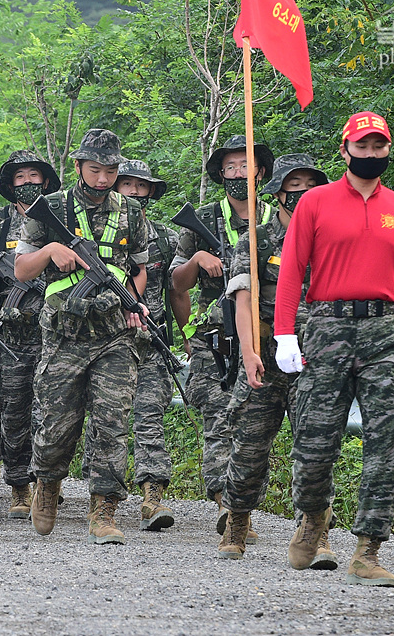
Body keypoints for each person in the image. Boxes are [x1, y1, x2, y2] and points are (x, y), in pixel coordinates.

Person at [274, 111, 394, 587]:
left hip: (383, 332)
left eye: (378, 147)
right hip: (325, 327)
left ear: (388, 150)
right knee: (314, 440)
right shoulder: (316, 203)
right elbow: (291, 270)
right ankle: (313, 517)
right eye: (361, 147)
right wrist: (286, 333)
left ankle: (368, 548)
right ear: (344, 150)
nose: (370, 155)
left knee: (386, 440)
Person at [14, 128, 150, 545]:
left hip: (113, 335)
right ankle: (48, 484)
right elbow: (21, 270)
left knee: (112, 422)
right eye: (95, 170)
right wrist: (50, 252)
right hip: (64, 334)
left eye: (110, 170)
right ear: (77, 167)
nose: (103, 179)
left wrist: (134, 302)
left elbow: (141, 268)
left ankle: (104, 509)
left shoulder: (131, 211)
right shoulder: (48, 208)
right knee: (57, 425)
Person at [216, 154, 331, 560]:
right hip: (266, 355)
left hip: (315, 358)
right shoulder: (255, 239)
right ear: (278, 192)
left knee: (315, 448)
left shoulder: (332, 237)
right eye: (293, 185)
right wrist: (248, 352)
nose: (301, 193)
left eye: (309, 185)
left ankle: (316, 529)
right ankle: (237, 521)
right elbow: (243, 299)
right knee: (249, 449)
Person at [169, 134, 274, 537]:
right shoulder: (202, 220)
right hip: (215, 333)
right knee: (218, 418)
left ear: (260, 171)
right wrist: (198, 259)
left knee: (256, 425)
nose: (237, 173)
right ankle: (227, 506)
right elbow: (177, 284)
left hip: (267, 331)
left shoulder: (276, 216)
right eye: (229, 167)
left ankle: (244, 502)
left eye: (244, 166)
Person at [0, 150, 60, 518]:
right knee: (11, 413)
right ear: (10, 185)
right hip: (6, 335)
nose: (27, 183)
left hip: (52, 332)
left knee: (51, 414)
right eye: (20, 177)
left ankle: (43, 483)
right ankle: (18, 485)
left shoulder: (58, 222)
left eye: (33, 176)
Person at [110, 159, 179, 531]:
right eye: (127, 185)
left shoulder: (165, 238)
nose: (135, 192)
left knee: (149, 417)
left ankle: (152, 497)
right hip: (109, 341)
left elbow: (175, 291)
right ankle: (103, 495)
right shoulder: (100, 235)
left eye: (141, 186)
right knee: (107, 422)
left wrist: (184, 336)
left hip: (152, 342)